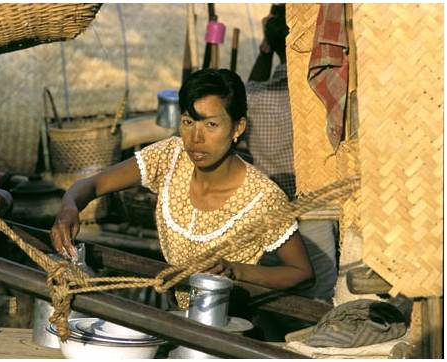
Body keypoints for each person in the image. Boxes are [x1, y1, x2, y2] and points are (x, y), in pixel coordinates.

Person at [50, 68, 313, 309]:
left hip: (227, 325)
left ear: (237, 128)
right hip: (173, 316)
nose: (196, 139)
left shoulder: (263, 198)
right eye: (188, 122)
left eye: (211, 125)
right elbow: (91, 184)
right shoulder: (170, 157)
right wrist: (69, 208)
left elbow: (301, 273)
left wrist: (235, 271)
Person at [245, 4, 339, 340]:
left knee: (270, 286)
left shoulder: (253, 96)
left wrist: (265, 48)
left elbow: (251, 82)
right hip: (314, 203)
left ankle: (274, 344)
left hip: (270, 206)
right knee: (321, 284)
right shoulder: (318, 96)